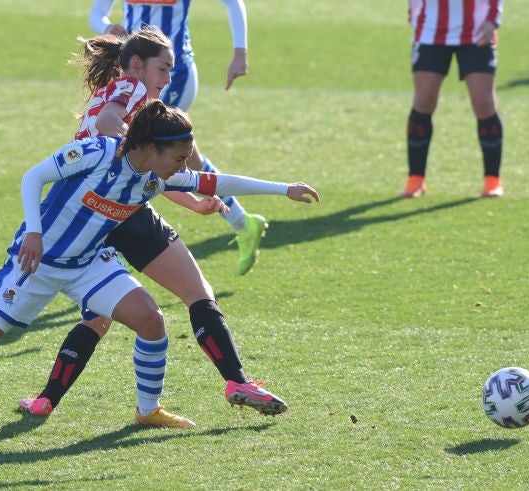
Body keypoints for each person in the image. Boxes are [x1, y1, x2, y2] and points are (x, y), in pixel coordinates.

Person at [0, 100, 320, 431]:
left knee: (151, 321)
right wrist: (33, 231)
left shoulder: (154, 176)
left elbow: (215, 180)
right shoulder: (96, 153)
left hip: (89, 264)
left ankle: (147, 410)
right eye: (177, 156)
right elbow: (33, 176)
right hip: (36, 265)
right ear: (151, 147)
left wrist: (284, 189)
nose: (182, 165)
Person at [18, 31, 319, 421]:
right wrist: (132, 149)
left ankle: (47, 400)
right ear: (138, 64)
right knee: (195, 293)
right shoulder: (129, 87)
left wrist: (191, 201)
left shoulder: (135, 100)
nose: (168, 77)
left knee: (99, 317)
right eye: (164, 68)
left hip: (99, 212)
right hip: (111, 212)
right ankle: (234, 381)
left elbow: (153, 176)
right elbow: (119, 133)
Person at [90, 0, 267, 275]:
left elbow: (232, 3)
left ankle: (107, 249)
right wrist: (106, 27)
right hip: (138, 75)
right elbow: (97, 12)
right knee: (183, 158)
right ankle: (243, 222)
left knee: (153, 157)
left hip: (174, 75)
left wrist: (240, 52)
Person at [401, 0, 505, 198]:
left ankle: (493, 180)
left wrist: (493, 19)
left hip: (477, 29)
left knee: (483, 103)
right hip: (429, 30)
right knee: (424, 101)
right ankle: (415, 179)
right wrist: (413, 12)